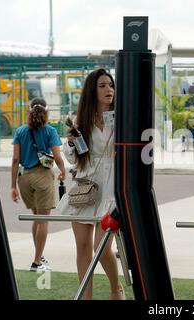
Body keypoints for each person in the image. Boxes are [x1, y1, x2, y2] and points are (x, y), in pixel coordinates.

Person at [56, 68, 125, 300]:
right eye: (103, 86)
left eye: (111, 85)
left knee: (102, 246)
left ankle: (116, 289)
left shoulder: (121, 115)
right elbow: (74, 159)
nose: (109, 90)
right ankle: (86, 297)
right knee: (83, 247)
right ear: (92, 91)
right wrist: (72, 142)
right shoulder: (81, 120)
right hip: (86, 186)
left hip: (112, 186)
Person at [11, 97, 66, 272]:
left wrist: (13, 186)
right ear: (47, 111)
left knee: (36, 219)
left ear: (29, 111)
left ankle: (39, 255)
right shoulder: (50, 131)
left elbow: (15, 159)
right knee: (43, 220)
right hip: (42, 177)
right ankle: (37, 262)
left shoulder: (20, 131)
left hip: (24, 178)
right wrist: (63, 170)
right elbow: (57, 157)